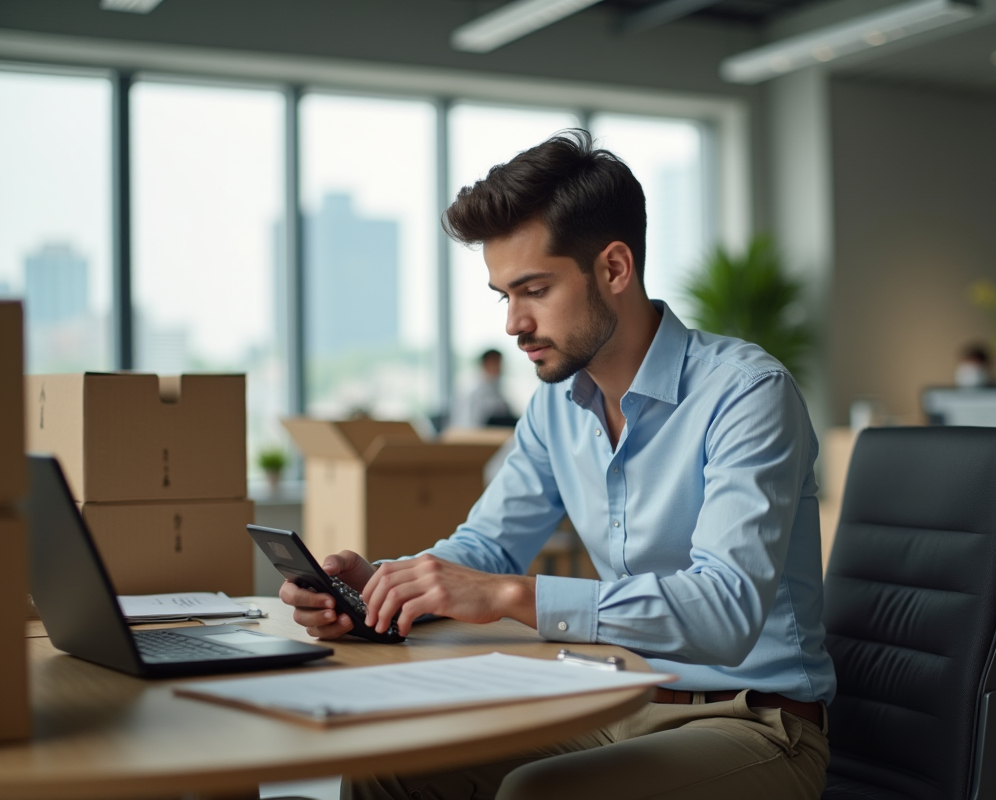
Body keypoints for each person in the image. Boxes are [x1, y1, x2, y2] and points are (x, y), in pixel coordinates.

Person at [280, 130, 834, 800]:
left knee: (540, 795)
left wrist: (513, 596)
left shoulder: (746, 393)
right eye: (503, 295)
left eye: (534, 289)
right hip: (617, 698)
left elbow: (726, 610)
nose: (513, 323)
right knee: (391, 767)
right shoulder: (556, 407)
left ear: (614, 268)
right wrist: (389, 587)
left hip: (756, 723)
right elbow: (488, 546)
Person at [451, 348, 516, 427]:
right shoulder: (472, 392)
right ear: (485, 364)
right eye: (497, 363)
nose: (501, 369)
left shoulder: (497, 390)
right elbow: (468, 426)